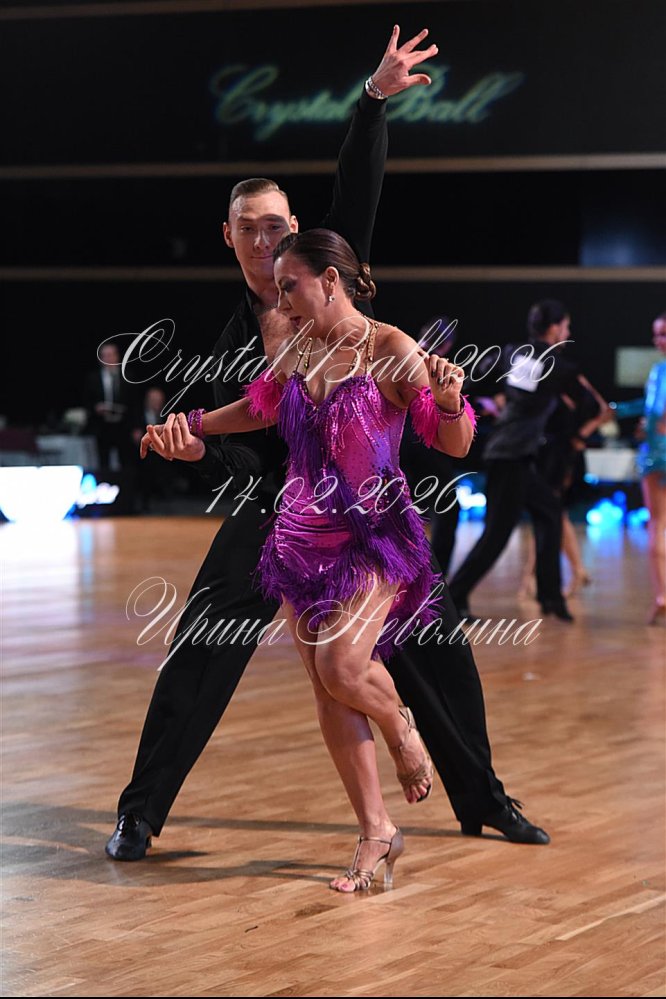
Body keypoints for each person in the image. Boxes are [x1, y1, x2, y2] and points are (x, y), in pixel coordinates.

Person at [106, 26, 549, 868]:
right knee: (205, 639)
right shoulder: (234, 340)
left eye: (277, 225)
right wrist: (196, 448)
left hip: (369, 503)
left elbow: (359, 182)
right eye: (249, 228)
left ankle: (485, 799)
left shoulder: (326, 274)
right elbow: (237, 429)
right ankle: (141, 812)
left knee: (436, 645)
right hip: (280, 512)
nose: (265, 240)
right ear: (228, 236)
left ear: (300, 233)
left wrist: (372, 101)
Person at [145, 229, 477, 889]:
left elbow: (455, 443)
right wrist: (195, 427)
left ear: (330, 280)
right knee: (327, 688)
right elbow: (256, 410)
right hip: (300, 537)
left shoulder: (391, 348)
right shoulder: (296, 349)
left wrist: (449, 402)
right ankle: (377, 830)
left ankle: (401, 727)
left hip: (373, 534)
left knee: (341, 665)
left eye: (289, 285)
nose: (281, 299)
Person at [448, 299, 579, 623]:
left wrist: (491, 400)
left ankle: (550, 597)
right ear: (554, 328)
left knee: (549, 512)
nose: (568, 333)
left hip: (516, 456)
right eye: (566, 327)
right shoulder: (554, 365)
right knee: (497, 535)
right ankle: (454, 599)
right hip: (509, 456)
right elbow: (581, 401)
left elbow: (477, 378)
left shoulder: (516, 354)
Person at [637, 312, 666, 624]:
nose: (659, 340)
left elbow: (656, 410)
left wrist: (650, 426)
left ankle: (662, 597)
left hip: (658, 455)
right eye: (657, 334)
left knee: (657, 525)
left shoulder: (661, 370)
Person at [84, 342, 137, 470]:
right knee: (103, 462)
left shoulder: (127, 376)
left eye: (111, 355)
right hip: (102, 426)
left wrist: (135, 426)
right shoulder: (93, 378)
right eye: (105, 356)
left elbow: (135, 403)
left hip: (123, 425)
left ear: (117, 356)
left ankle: (126, 483)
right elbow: (87, 401)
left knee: (126, 462)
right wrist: (96, 408)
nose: (108, 359)